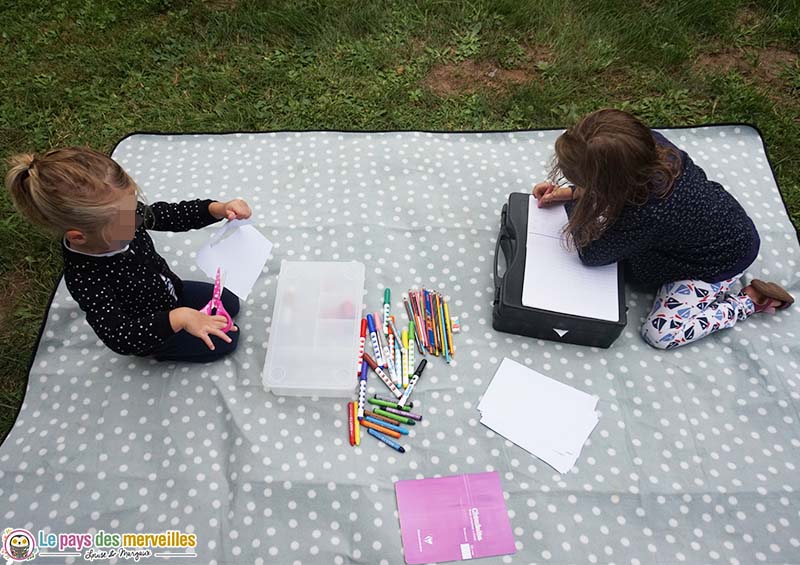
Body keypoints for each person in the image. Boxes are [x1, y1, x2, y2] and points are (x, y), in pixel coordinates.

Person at [533, 109, 794, 349]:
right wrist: (569, 193)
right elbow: (610, 188)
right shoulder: (650, 147)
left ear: (610, 184)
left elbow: (593, 254)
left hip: (715, 264)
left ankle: (749, 302)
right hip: (721, 225)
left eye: (585, 182)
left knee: (660, 334)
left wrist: (576, 205)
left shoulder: (649, 212)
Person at [5, 146, 251, 362]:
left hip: (173, 290)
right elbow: (120, 337)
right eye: (126, 222)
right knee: (229, 337)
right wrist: (177, 319)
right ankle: (163, 352)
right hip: (153, 330)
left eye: (135, 210)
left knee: (230, 303)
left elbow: (169, 215)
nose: (137, 221)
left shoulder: (123, 216)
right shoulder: (86, 277)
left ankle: (183, 312)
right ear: (79, 236)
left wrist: (216, 209)